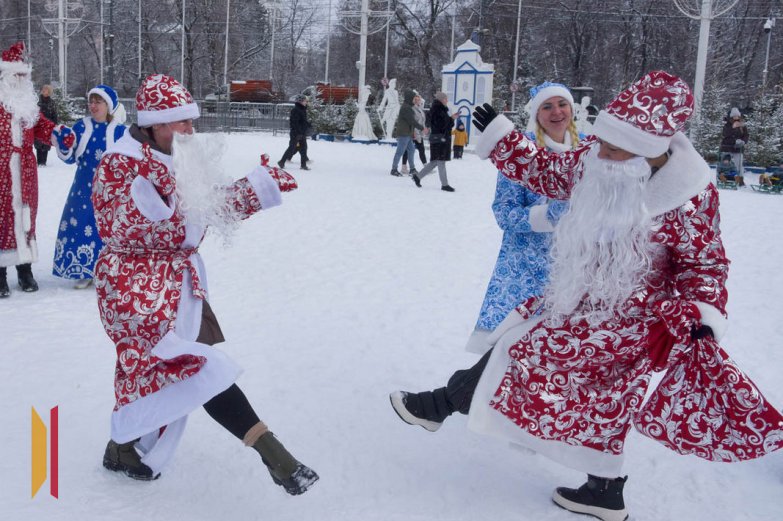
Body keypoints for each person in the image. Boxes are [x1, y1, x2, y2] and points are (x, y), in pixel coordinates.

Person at [390, 71, 783, 521]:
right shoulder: (598, 157)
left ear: (647, 152)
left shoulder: (689, 196)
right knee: (590, 391)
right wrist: (504, 139)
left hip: (633, 320)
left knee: (526, 353)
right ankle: (604, 491)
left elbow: (704, 263)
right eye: (601, 143)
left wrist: (702, 312)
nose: (600, 153)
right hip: (577, 298)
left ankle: (440, 405)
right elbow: (548, 170)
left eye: (614, 149)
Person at [93, 74, 318, 495]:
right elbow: (131, 227)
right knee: (194, 369)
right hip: (136, 292)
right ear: (155, 124)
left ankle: (124, 446)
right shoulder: (120, 164)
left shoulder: (175, 155)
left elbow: (207, 205)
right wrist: (197, 203)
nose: (190, 130)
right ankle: (275, 455)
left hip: (181, 287)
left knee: (174, 373)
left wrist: (258, 188)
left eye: (191, 121)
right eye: (181, 121)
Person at [465, 81, 579, 354]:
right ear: (537, 113)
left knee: (566, 351)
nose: (557, 112)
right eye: (547, 106)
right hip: (524, 271)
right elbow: (504, 213)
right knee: (510, 351)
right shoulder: (521, 151)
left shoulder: (589, 148)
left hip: (576, 270)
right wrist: (547, 216)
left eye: (562, 104)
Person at [50, 85, 126, 289]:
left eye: (98, 102)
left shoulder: (120, 131)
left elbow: (128, 162)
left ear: (108, 105)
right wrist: (63, 144)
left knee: (108, 227)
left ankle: (109, 270)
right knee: (81, 223)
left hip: (110, 189)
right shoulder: (81, 127)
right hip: (83, 187)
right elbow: (69, 158)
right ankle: (83, 269)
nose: (93, 106)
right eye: (91, 101)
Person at [0, 42, 56, 298]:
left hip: (25, 172)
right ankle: (0, 274)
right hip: (2, 171)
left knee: (25, 218)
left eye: (24, 75)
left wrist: (59, 134)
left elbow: (43, 126)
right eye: (17, 75)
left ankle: (25, 270)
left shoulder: (28, 106)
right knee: (2, 219)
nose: (21, 80)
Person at [411, 92, 456, 191]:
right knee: (441, 161)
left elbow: (442, 124)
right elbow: (441, 125)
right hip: (440, 140)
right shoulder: (438, 110)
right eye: (445, 99)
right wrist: (451, 119)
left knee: (435, 162)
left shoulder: (438, 109)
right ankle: (444, 185)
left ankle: (417, 177)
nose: (447, 100)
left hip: (437, 139)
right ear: (441, 99)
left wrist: (451, 119)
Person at [390, 89, 423, 177]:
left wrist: (412, 133)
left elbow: (411, 122)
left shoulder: (408, 107)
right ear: (410, 98)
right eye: (413, 98)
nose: (415, 100)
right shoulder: (406, 108)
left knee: (411, 150)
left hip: (407, 133)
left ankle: (412, 169)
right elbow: (411, 121)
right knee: (400, 151)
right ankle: (394, 169)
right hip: (403, 133)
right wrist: (422, 128)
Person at [277, 94, 312, 171]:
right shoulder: (296, 110)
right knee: (292, 148)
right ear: (300, 101)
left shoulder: (302, 109)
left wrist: (308, 125)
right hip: (296, 133)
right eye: (305, 101)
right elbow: (294, 123)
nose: (306, 102)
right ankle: (281, 161)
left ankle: (303, 165)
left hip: (302, 132)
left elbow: (302, 121)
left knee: (304, 148)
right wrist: (298, 133)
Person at [401, 92, 427, 174]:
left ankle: (426, 166)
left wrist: (423, 129)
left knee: (421, 149)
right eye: (416, 99)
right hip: (412, 133)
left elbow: (422, 121)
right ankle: (404, 167)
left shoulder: (420, 109)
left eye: (418, 99)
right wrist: (414, 133)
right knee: (408, 150)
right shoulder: (411, 109)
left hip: (419, 132)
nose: (417, 101)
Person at [719, 107, 748, 177]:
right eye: (734, 116)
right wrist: (733, 127)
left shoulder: (742, 126)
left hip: (738, 149)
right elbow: (725, 134)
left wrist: (743, 141)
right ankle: (723, 176)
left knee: (738, 165)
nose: (736, 118)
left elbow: (746, 135)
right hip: (727, 147)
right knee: (725, 163)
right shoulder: (727, 125)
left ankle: (740, 178)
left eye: (737, 116)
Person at [35, 84, 58, 166]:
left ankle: (43, 162)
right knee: (38, 143)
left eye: (46, 90)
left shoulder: (52, 103)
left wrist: (54, 125)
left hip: (48, 125)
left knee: (46, 143)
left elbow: (54, 114)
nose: (44, 91)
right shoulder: (37, 101)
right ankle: (39, 162)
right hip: (39, 125)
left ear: (49, 92)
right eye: (43, 89)